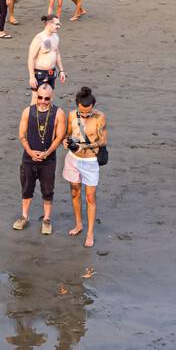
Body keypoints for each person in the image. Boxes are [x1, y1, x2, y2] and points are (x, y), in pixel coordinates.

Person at [15, 83, 66, 235]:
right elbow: (22, 135)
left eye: (47, 98)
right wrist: (30, 152)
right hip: (28, 158)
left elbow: (59, 137)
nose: (43, 101)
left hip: (48, 159)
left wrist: (47, 153)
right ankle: (24, 216)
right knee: (26, 188)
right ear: (36, 96)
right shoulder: (27, 112)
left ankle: (47, 219)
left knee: (48, 190)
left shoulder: (58, 113)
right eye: (40, 97)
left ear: (52, 97)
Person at [63, 86, 106, 247]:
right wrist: (65, 142)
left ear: (93, 107)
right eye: (82, 112)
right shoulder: (72, 115)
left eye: (88, 112)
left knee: (90, 197)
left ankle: (90, 233)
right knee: (74, 192)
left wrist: (85, 147)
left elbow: (103, 141)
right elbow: (67, 133)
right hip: (73, 159)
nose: (85, 115)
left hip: (90, 161)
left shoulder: (100, 117)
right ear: (77, 106)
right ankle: (79, 224)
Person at [27, 14, 65, 105]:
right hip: (39, 74)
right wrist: (32, 77)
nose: (58, 27)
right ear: (49, 24)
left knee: (49, 97)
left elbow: (57, 53)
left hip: (51, 72)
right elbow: (31, 59)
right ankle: (32, 118)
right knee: (36, 98)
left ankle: (48, 118)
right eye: (57, 24)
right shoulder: (39, 39)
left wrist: (61, 71)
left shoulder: (55, 37)